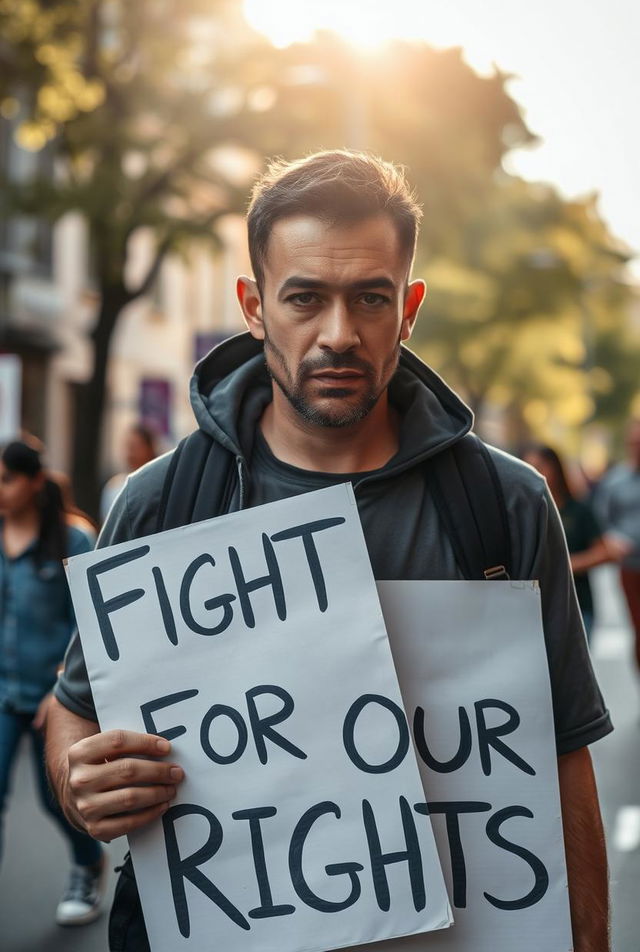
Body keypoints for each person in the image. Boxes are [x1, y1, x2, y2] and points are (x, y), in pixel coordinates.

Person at [46, 151, 611, 951]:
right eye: (304, 298)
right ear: (253, 305)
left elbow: (559, 752)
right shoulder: (159, 504)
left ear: (408, 308)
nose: (338, 334)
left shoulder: (507, 506)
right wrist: (82, 784)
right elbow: (72, 713)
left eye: (370, 299)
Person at [0, 440, 105, 926]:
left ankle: (87, 866)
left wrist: (60, 688)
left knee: (56, 796)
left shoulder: (73, 540)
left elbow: (87, 624)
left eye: (7, 478)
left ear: (35, 481)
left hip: (55, 696)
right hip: (3, 694)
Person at [522, 443, 612, 642]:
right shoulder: (522, 512)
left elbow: (604, 552)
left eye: (540, 465)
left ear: (556, 468)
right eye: (528, 466)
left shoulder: (578, 510)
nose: (535, 472)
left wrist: (567, 565)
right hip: (535, 609)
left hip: (577, 605)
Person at [594, 417, 640, 671]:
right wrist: (612, 539)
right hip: (630, 567)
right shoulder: (616, 481)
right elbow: (602, 521)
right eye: (634, 442)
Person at [99, 422, 158, 523]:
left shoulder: (159, 483)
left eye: (136, 447)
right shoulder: (114, 487)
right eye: (129, 447)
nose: (131, 453)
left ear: (150, 448)